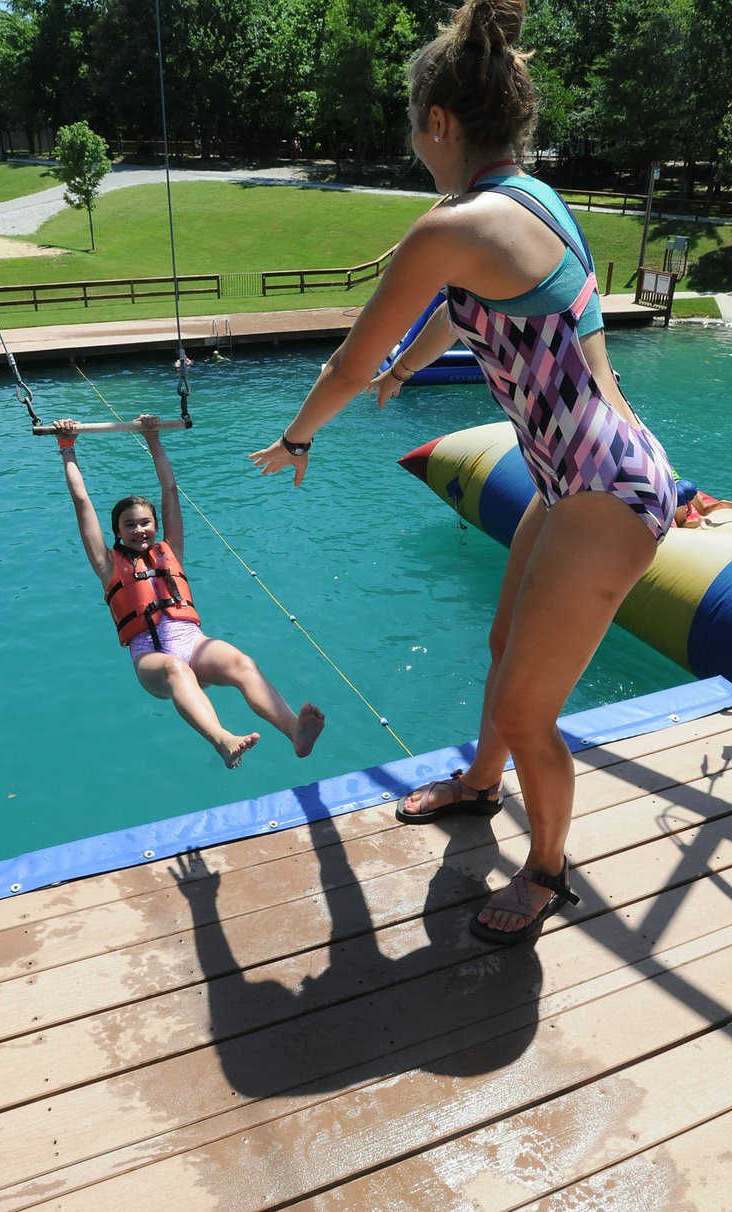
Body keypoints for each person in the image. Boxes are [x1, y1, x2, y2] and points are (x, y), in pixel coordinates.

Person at [249, 0, 676, 945]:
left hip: (605, 492)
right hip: (579, 476)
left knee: (530, 707)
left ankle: (549, 871)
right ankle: (482, 788)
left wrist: (301, 436)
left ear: (439, 122)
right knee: (501, 652)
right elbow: (461, 306)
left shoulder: (454, 226)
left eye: (414, 124)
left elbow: (343, 366)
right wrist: (408, 370)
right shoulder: (526, 201)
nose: (412, 141)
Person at [54, 415, 324, 769]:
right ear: (117, 532)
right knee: (175, 671)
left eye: (145, 522)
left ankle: (295, 731)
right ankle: (222, 739)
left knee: (242, 663)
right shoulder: (107, 565)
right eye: (129, 525)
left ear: (156, 525)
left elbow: (169, 491)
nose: (139, 530)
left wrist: (152, 438)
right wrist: (67, 447)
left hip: (190, 640)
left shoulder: (171, 549)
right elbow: (82, 501)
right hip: (151, 656)